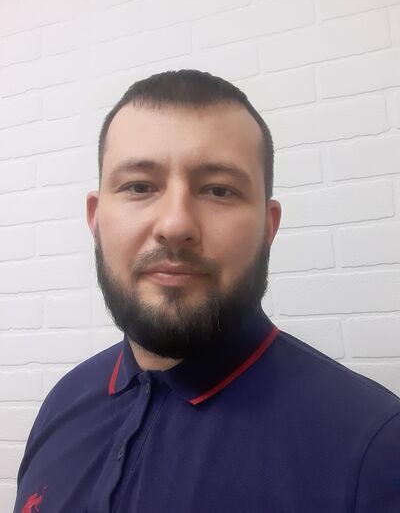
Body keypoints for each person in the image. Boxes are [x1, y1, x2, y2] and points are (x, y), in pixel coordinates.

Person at [14, 70, 400, 513]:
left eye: (218, 190)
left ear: (268, 226)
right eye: (139, 186)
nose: (175, 224)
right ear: (95, 218)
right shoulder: (63, 403)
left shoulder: (374, 449)